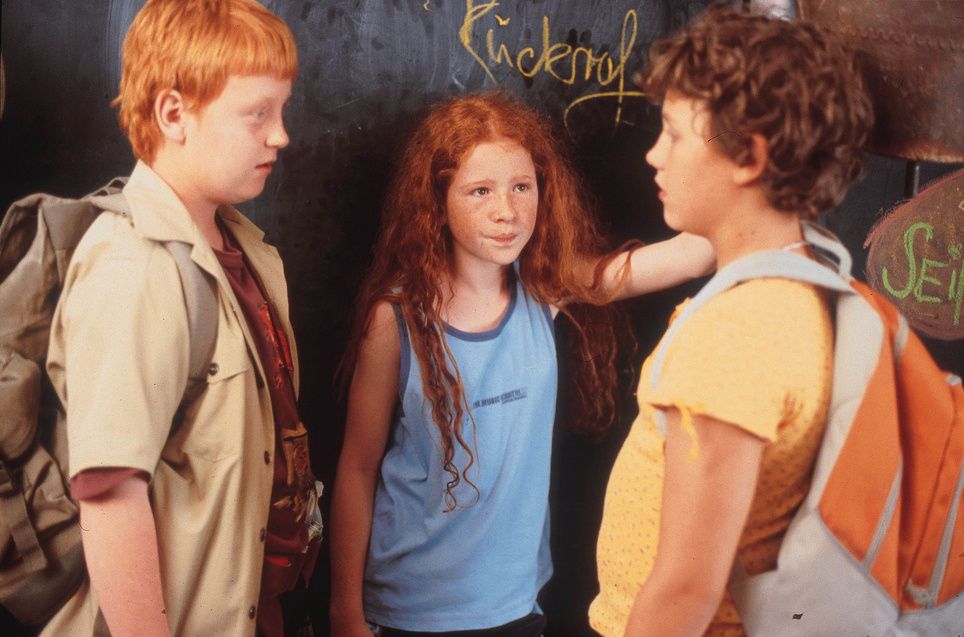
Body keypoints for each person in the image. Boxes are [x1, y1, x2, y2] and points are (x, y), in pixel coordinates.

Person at [329, 91, 714, 637]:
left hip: (516, 608)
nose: (506, 212)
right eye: (480, 191)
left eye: (521, 187)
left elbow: (691, 255)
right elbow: (357, 468)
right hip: (409, 611)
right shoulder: (395, 319)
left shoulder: (545, 290)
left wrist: (756, 164)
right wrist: (344, 612)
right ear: (438, 200)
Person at [589, 6, 874, 636]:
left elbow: (687, 589)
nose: (654, 155)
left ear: (749, 156)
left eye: (673, 135)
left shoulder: (735, 338)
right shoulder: (806, 269)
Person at [41, 1, 321, 635]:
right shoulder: (134, 267)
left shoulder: (243, 247)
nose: (280, 135)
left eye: (282, 111)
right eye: (257, 113)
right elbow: (111, 499)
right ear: (174, 114)